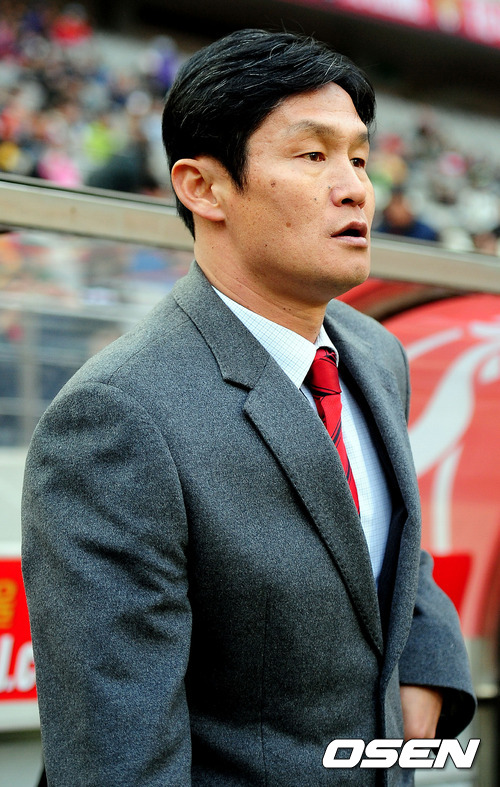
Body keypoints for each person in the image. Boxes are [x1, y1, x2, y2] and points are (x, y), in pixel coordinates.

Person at [22, 29, 475, 786]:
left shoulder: (374, 353)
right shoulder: (116, 419)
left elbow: (391, 541)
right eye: (313, 155)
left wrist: (428, 664)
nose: (355, 188)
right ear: (203, 188)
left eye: (360, 158)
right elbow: (118, 754)